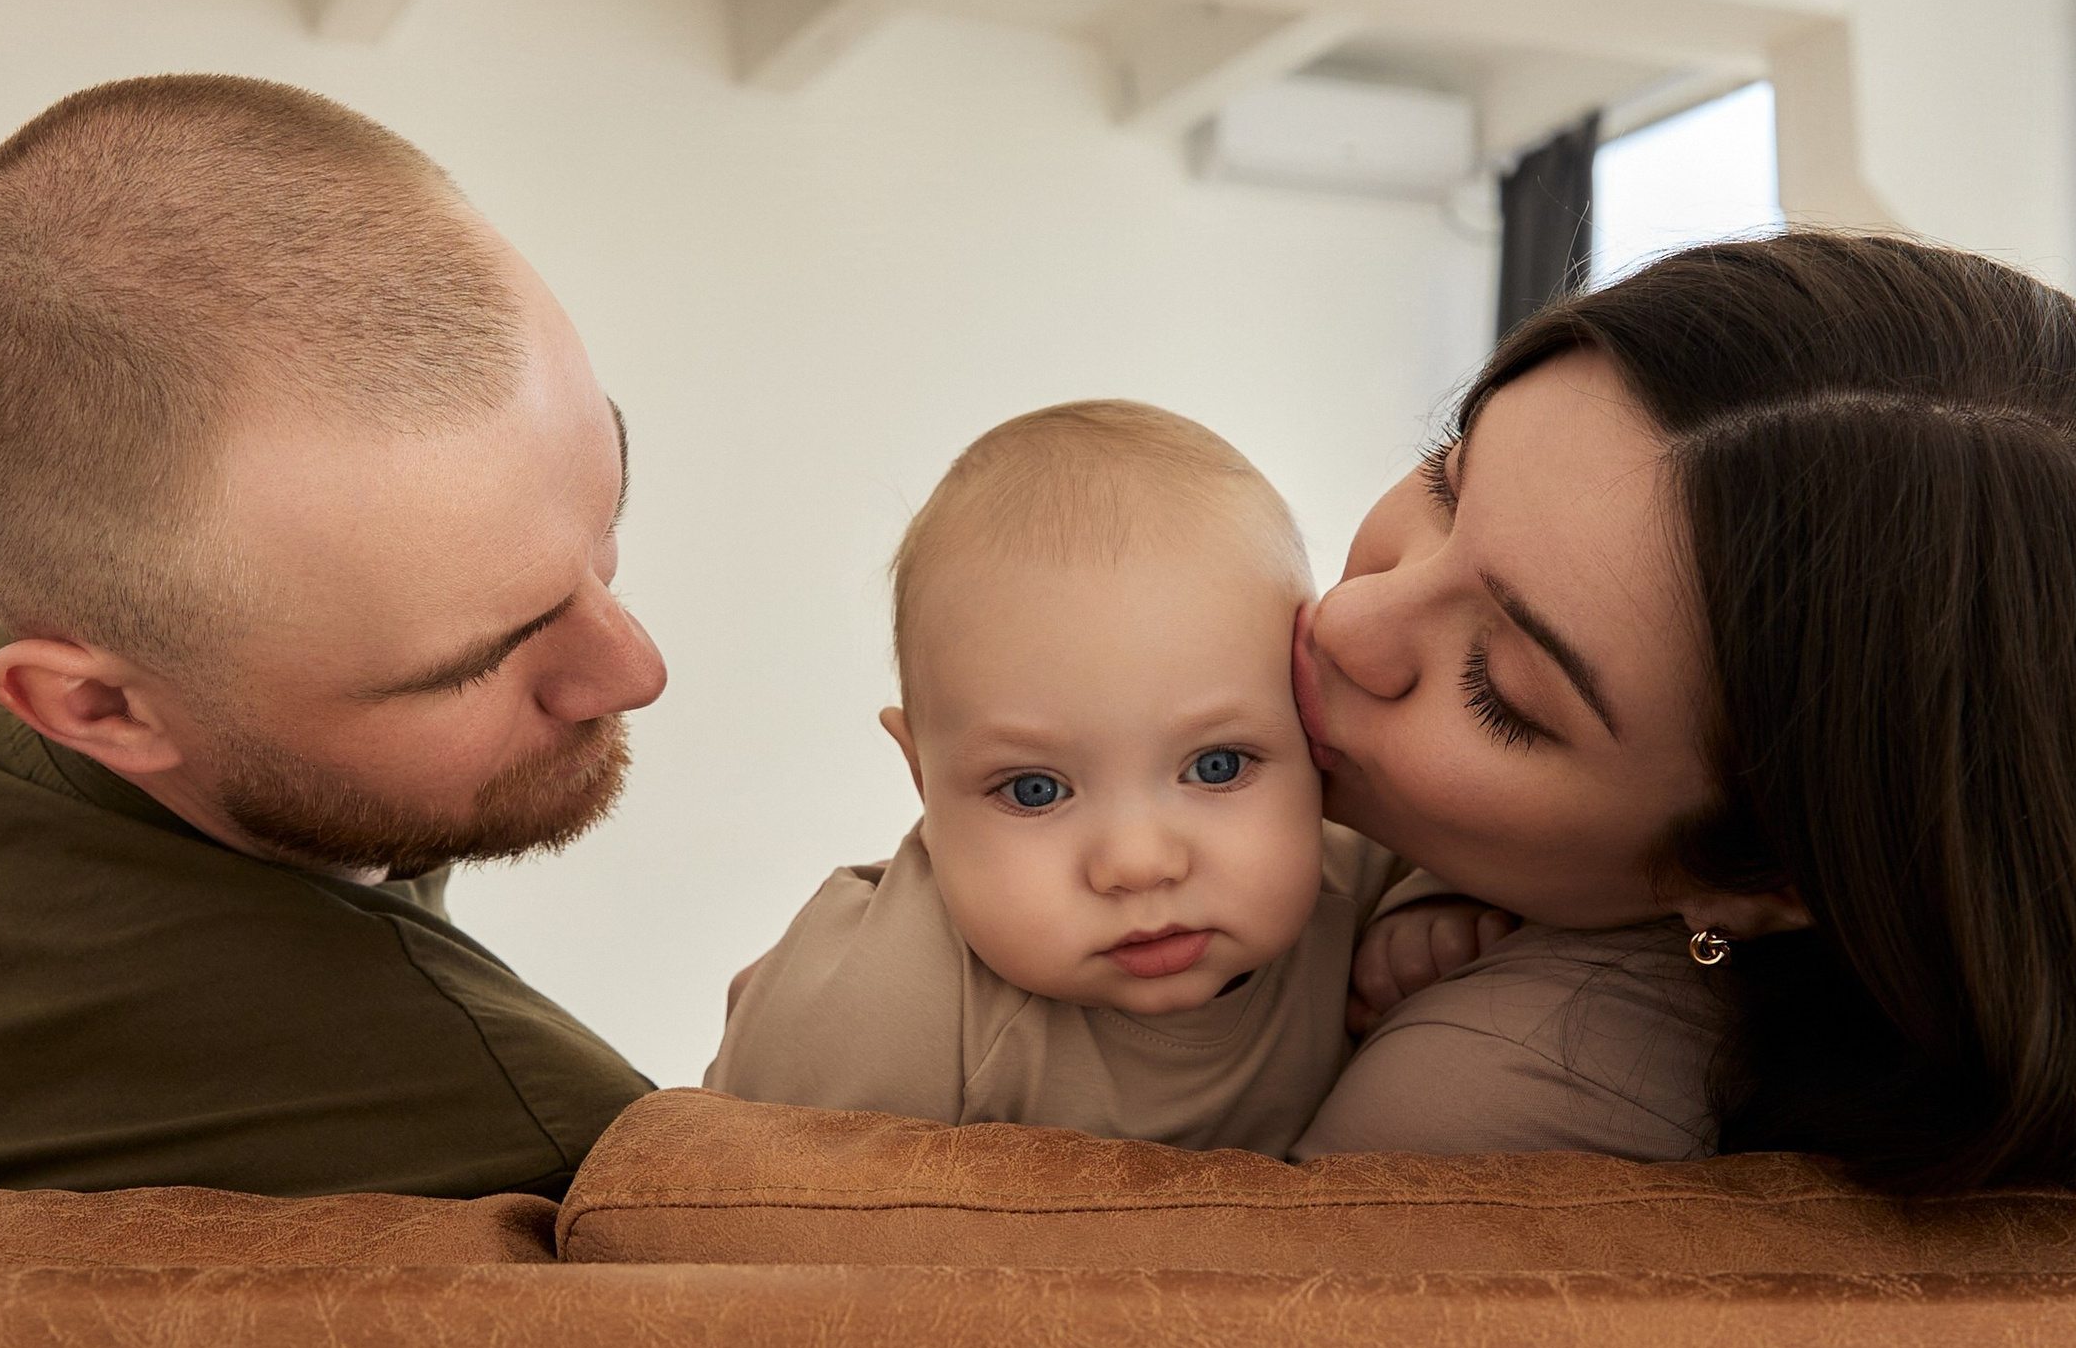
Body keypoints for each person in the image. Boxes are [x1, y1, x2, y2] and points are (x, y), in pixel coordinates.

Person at [0, 75, 664, 1197]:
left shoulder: (103, 590)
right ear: (98, 711)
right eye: (473, 663)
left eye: (603, 516)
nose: (636, 668)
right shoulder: (526, 1129)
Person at [1294, 227, 2076, 1188]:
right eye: (1445, 478)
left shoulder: (1483, 1103)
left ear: (1765, 882)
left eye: (1500, 691)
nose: (1349, 619)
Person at [708, 401, 1710, 1160]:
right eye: (1034, 791)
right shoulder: (877, 1012)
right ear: (923, 781)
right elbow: (732, 1241)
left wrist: (1430, 909)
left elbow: (1408, 864)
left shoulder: (1345, 874)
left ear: (1311, 735)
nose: (1137, 863)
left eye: (1217, 766)